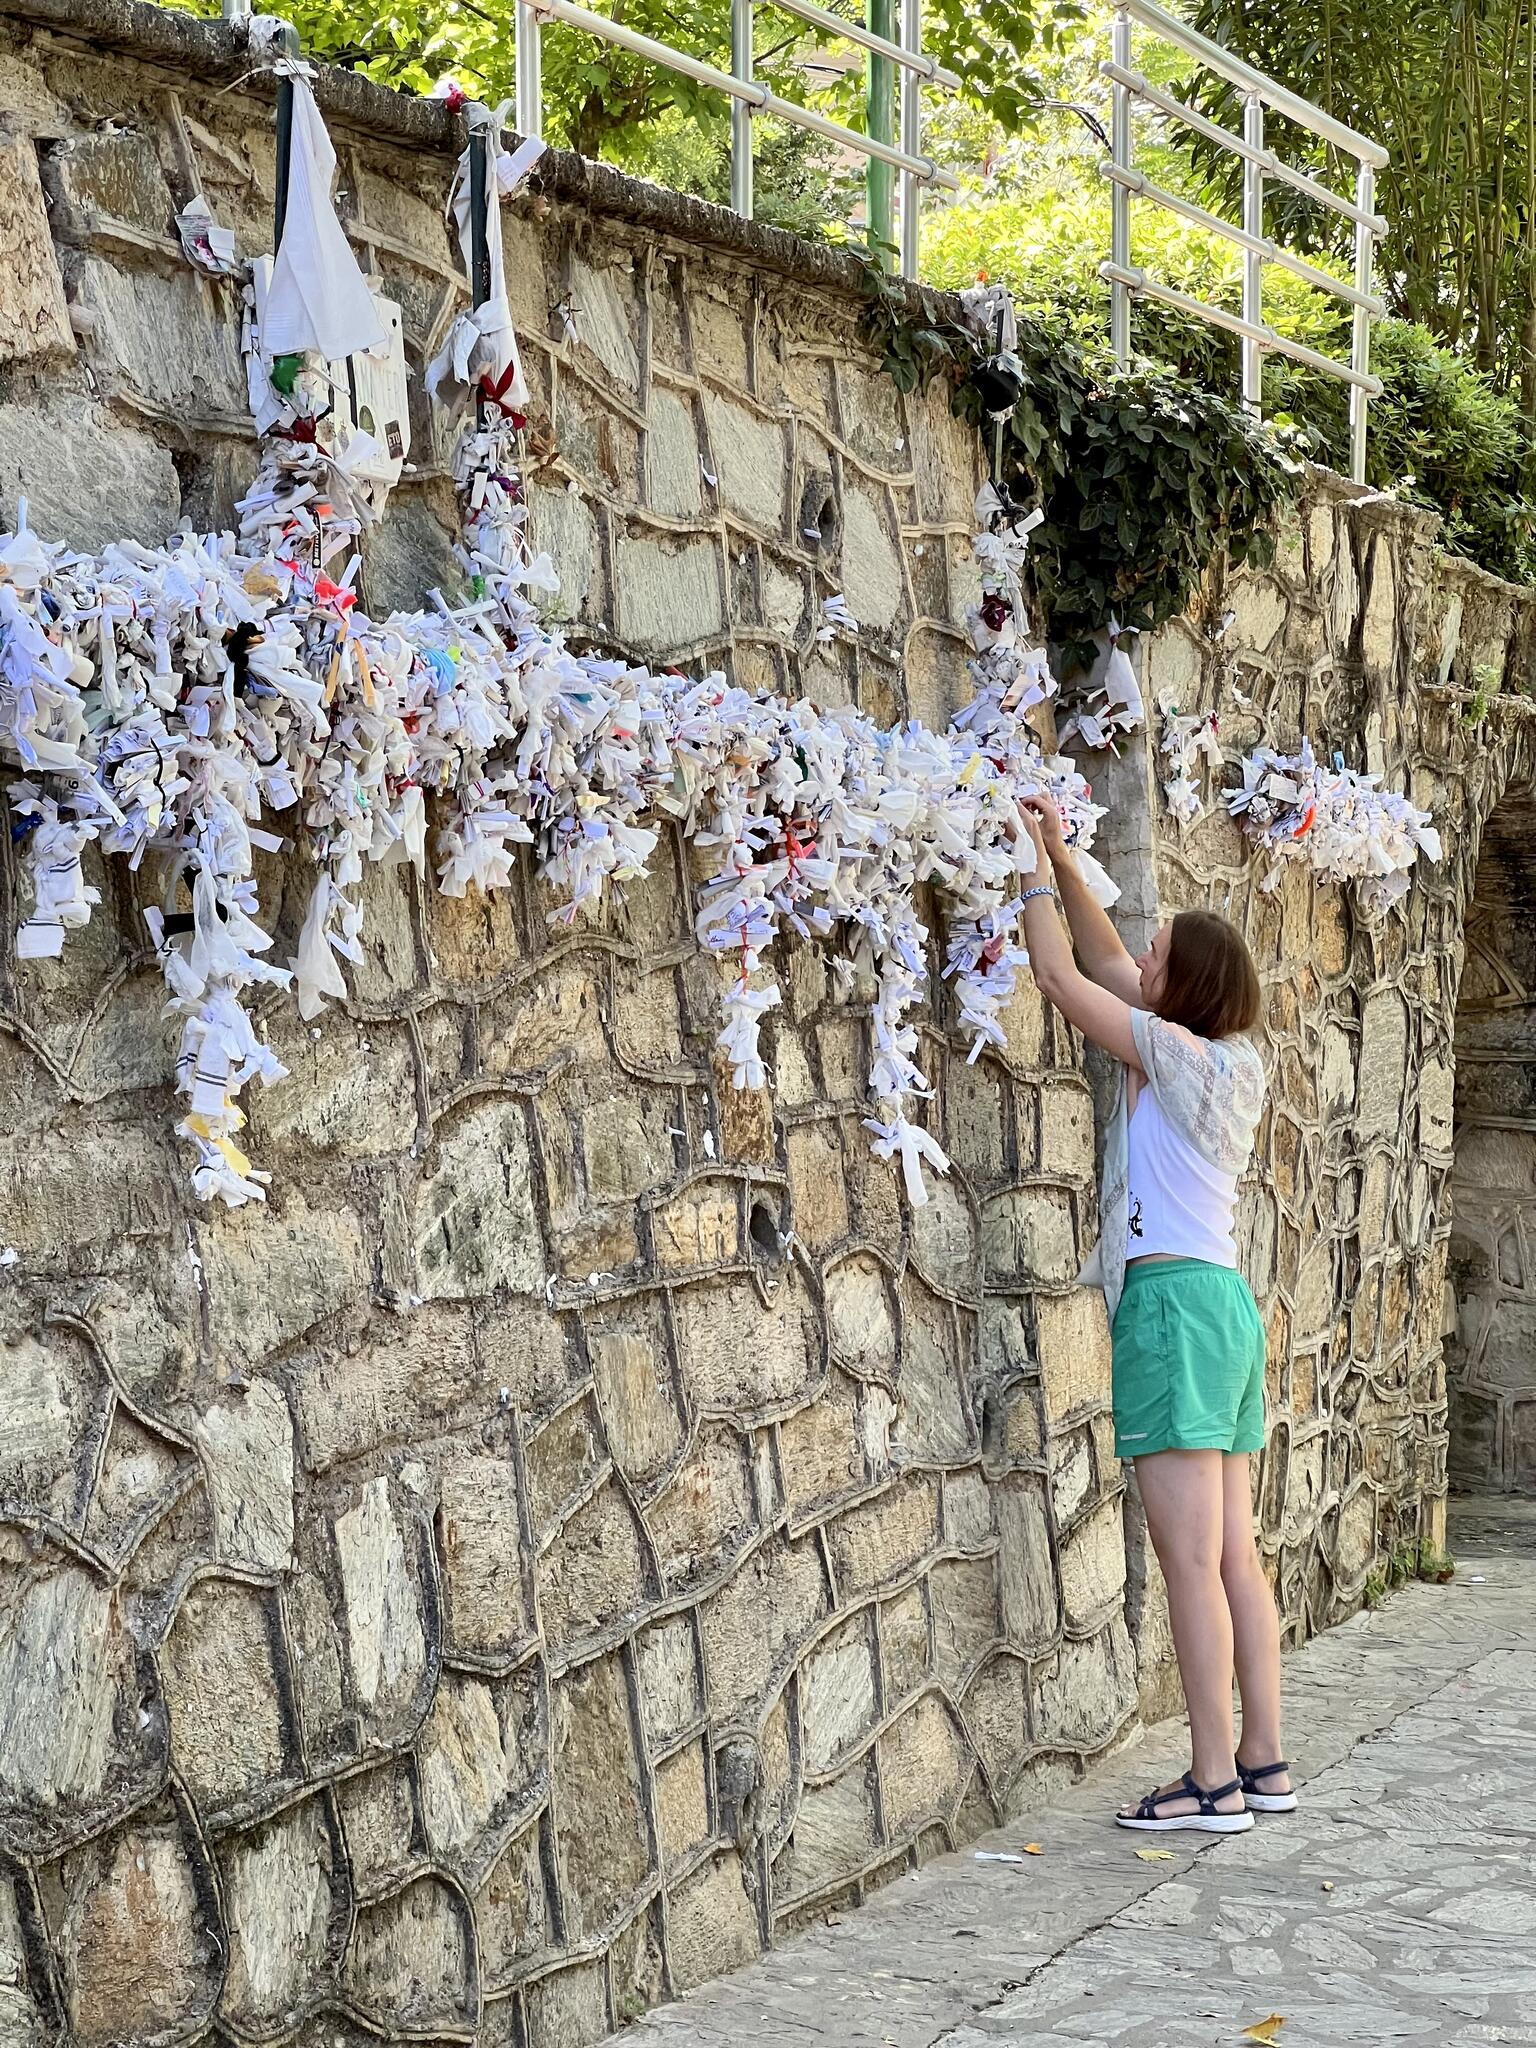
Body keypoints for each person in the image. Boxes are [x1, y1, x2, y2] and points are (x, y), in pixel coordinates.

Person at [1015, 794, 1294, 1834]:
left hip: (1172, 1310)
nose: (1142, 959)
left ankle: (1210, 1780)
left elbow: (1062, 978)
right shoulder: (1229, 1057)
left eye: (1160, 955)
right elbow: (1108, 963)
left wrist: (1024, 870)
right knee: (1235, 1557)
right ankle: (1262, 1761)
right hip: (1225, 1308)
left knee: (1187, 1564)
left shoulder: (1166, 1054)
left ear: (1184, 990)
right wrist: (1060, 853)